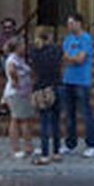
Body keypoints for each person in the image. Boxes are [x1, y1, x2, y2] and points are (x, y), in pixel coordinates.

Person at [60, 13, 94, 159]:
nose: (69, 26)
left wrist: (71, 58)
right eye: (68, 23)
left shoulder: (86, 38)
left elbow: (80, 59)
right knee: (69, 114)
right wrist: (72, 58)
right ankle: (70, 144)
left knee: (86, 114)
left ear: (79, 23)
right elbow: (65, 59)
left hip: (82, 81)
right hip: (68, 80)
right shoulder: (68, 39)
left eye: (71, 23)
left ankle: (91, 144)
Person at [28, 26, 63, 165]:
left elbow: (33, 69)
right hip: (56, 85)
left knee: (44, 123)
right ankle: (57, 152)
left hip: (41, 87)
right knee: (56, 122)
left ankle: (44, 154)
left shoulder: (34, 52)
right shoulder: (56, 50)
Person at [0, 38, 34, 158]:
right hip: (16, 93)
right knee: (19, 119)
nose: (25, 47)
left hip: (23, 93)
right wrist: (16, 80)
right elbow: (11, 69)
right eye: (23, 45)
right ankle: (18, 147)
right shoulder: (13, 58)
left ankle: (27, 146)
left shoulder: (20, 59)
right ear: (17, 47)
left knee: (22, 118)